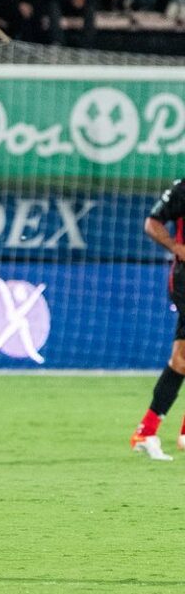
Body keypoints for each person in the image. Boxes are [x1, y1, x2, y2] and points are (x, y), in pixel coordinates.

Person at [129, 177, 185, 462]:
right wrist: (176, 247)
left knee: (181, 360)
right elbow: (152, 223)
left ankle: (146, 431)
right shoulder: (183, 188)